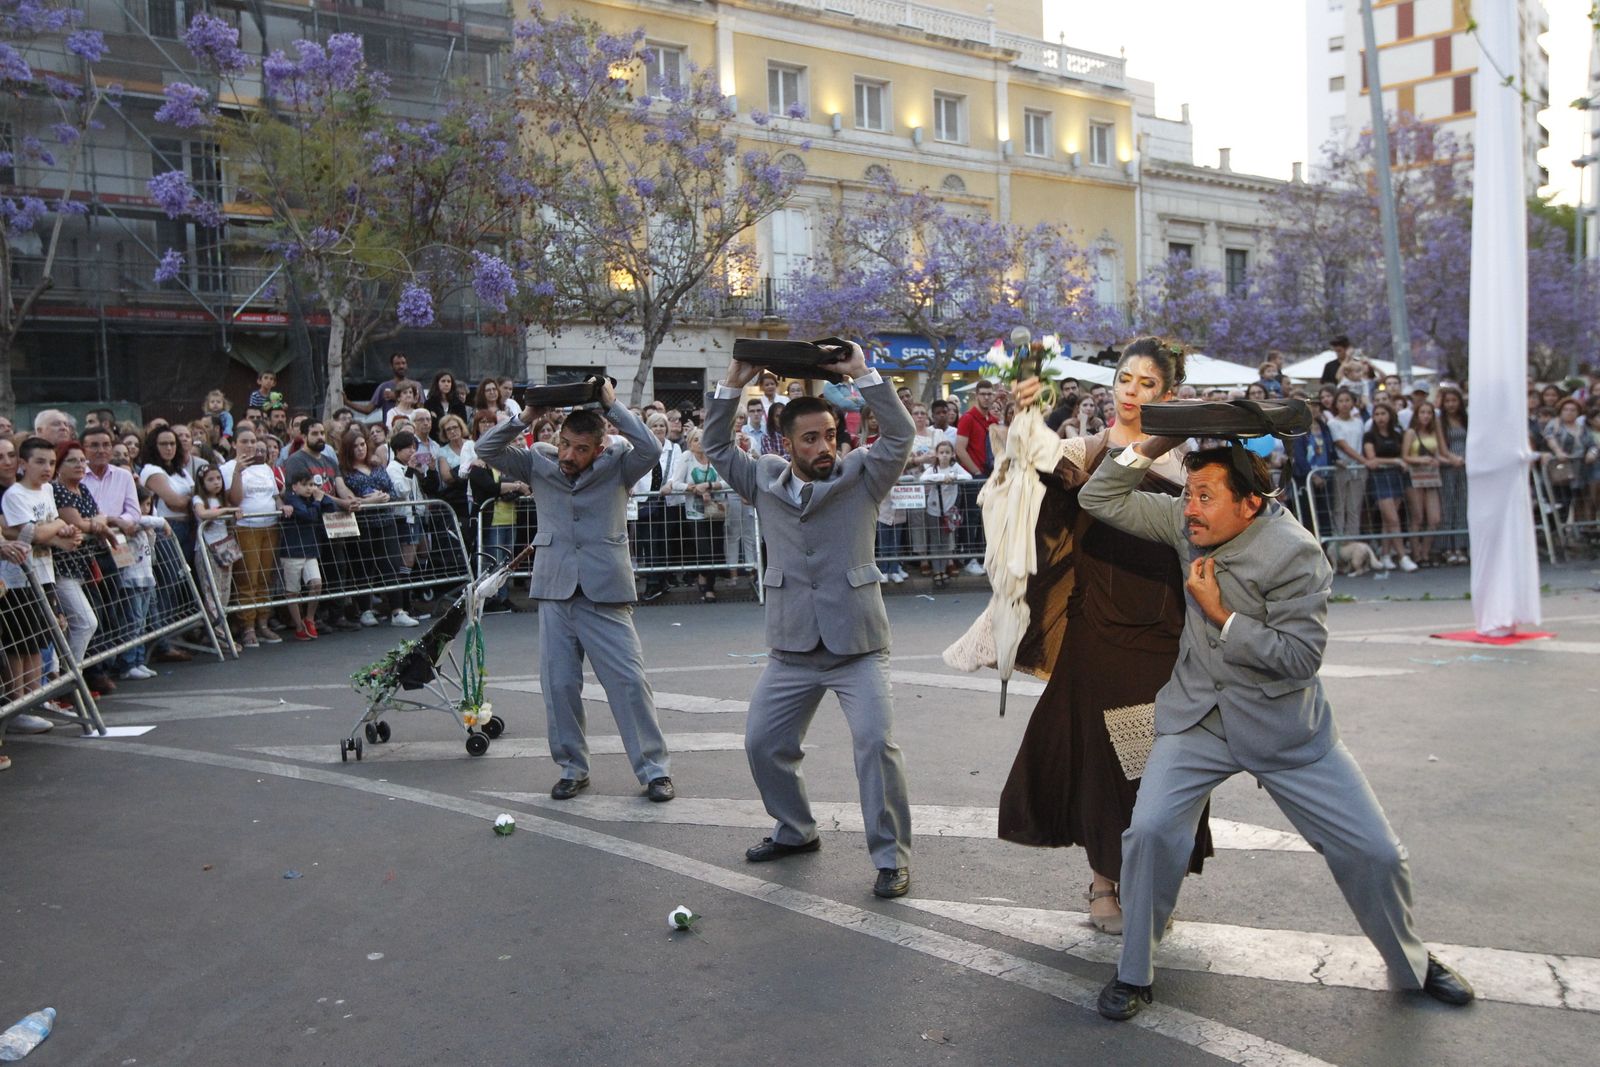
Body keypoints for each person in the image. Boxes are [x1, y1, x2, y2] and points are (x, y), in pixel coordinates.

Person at [1079, 436, 1474, 1020]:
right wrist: (1155, 440)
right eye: (1188, 494)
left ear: (1250, 504)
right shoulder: (1184, 524)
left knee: (1375, 852)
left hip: (1283, 724)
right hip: (1197, 719)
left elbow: (1298, 659)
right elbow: (1100, 496)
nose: (1190, 508)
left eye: (1205, 496)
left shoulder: (1297, 553)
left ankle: (1413, 963)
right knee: (1151, 834)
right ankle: (1134, 973)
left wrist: (1221, 615)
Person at [995, 341, 1213, 936]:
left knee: (1159, 765)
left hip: (1168, 635)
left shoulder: (1189, 465)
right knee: (1103, 762)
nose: (1131, 390)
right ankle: (1103, 882)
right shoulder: (1083, 450)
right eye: (1124, 378)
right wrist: (1023, 400)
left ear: (1168, 395)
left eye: (1147, 383)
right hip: (1099, 633)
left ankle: (1150, 879)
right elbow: (1022, 464)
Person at [702, 343, 916, 900]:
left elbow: (899, 436)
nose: (826, 447)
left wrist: (864, 374)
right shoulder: (764, 481)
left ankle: (891, 857)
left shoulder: (863, 474)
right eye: (811, 439)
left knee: (875, 744)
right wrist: (734, 381)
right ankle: (795, 830)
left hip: (858, 645)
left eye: (831, 436)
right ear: (788, 444)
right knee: (762, 743)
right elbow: (716, 445)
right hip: (792, 646)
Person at [473, 380, 675, 803]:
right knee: (559, 686)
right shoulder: (539, 464)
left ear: (599, 448)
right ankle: (572, 768)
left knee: (629, 683)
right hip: (555, 591)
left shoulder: (619, 464)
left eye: (580, 449)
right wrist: (526, 417)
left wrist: (612, 406)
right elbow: (487, 450)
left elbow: (653, 450)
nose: (568, 455)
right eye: (564, 444)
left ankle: (654, 770)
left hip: (606, 590)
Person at [3, 437, 83, 734]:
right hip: (18, 579)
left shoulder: (48, 490)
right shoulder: (15, 495)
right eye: (40, 462)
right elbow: (32, 532)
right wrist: (54, 530)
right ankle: (19, 703)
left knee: (38, 641)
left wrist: (64, 534)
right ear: (23, 464)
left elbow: (47, 531)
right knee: (20, 645)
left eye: (51, 462)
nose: (47, 468)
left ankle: (35, 697)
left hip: (45, 573)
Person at [223, 425, 290, 647]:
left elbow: (274, 495)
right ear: (234, 444)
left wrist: (282, 505)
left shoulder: (265, 468)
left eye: (253, 441)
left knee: (265, 577)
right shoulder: (229, 467)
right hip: (246, 527)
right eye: (245, 441)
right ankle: (247, 626)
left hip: (269, 526)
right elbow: (234, 500)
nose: (250, 445)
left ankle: (263, 622)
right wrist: (237, 472)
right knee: (247, 579)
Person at [48, 440, 105, 684]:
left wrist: (95, 522)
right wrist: (95, 524)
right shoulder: (57, 490)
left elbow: (99, 515)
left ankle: (71, 677)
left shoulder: (82, 489)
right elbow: (80, 523)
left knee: (79, 623)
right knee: (85, 622)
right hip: (61, 568)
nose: (80, 465)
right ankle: (70, 679)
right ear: (59, 465)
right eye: (73, 460)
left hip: (82, 567)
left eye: (83, 460)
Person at [1363, 401, 1413, 571]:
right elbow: (1372, 459)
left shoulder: (1397, 434)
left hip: (1395, 477)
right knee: (1393, 519)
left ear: (1390, 416)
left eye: (1383, 414)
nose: (1380, 418)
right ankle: (1402, 555)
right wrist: (1395, 461)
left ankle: (1385, 554)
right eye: (1376, 415)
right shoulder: (1369, 436)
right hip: (1380, 478)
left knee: (1388, 521)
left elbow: (1403, 453)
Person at [1401, 400, 1447, 566]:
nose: (1426, 416)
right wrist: (1421, 459)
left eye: (1429, 413)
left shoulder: (1435, 432)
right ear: (1417, 414)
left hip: (1431, 477)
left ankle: (1426, 552)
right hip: (1415, 476)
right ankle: (1417, 553)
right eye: (1423, 412)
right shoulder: (1411, 433)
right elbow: (1405, 456)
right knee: (1418, 517)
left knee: (1434, 518)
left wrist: (1449, 460)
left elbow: (1440, 454)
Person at [918, 440, 969, 587]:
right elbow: (923, 478)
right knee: (935, 541)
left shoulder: (955, 468)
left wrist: (953, 478)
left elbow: (968, 477)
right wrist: (941, 478)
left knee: (946, 541)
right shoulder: (933, 469)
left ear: (952, 454)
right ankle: (937, 570)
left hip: (948, 511)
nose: (944, 456)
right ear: (937, 454)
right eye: (941, 453)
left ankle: (944, 568)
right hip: (934, 509)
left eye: (947, 452)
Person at [1325, 389, 1368, 544]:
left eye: (1347, 400)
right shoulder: (1333, 423)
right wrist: (1364, 461)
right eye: (1341, 401)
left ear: (1353, 402)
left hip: (1358, 469)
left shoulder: (1359, 422)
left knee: (1354, 507)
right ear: (1336, 404)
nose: (1344, 404)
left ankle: (1353, 541)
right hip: (1341, 468)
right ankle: (1339, 542)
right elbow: (1342, 445)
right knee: (1339, 506)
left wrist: (1362, 462)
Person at [1436, 386, 1469, 564]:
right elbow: (1441, 445)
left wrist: (1465, 458)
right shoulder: (1440, 421)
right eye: (1447, 401)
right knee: (1447, 505)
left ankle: (1461, 546)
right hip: (1449, 466)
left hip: (1465, 465)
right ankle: (1447, 547)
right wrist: (1452, 458)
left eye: (1454, 401)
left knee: (1462, 506)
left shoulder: (1465, 419)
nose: (1450, 404)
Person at [346, 352, 411, 422]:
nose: (401, 366)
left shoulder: (416, 386)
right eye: (397, 364)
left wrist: (396, 397)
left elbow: (421, 408)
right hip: (390, 431)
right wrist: (347, 402)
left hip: (412, 429)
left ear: (407, 365)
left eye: (403, 363)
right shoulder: (384, 387)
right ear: (391, 366)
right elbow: (367, 410)